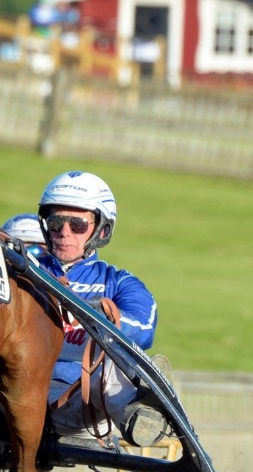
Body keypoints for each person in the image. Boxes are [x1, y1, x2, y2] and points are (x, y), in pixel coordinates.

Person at [33, 171, 168, 446]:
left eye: (78, 225)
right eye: (56, 222)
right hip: (16, 392)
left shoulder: (119, 282)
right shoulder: (24, 271)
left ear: (101, 230)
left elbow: (144, 329)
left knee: (111, 355)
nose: (64, 232)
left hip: (81, 404)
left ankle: (138, 414)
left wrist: (100, 319)